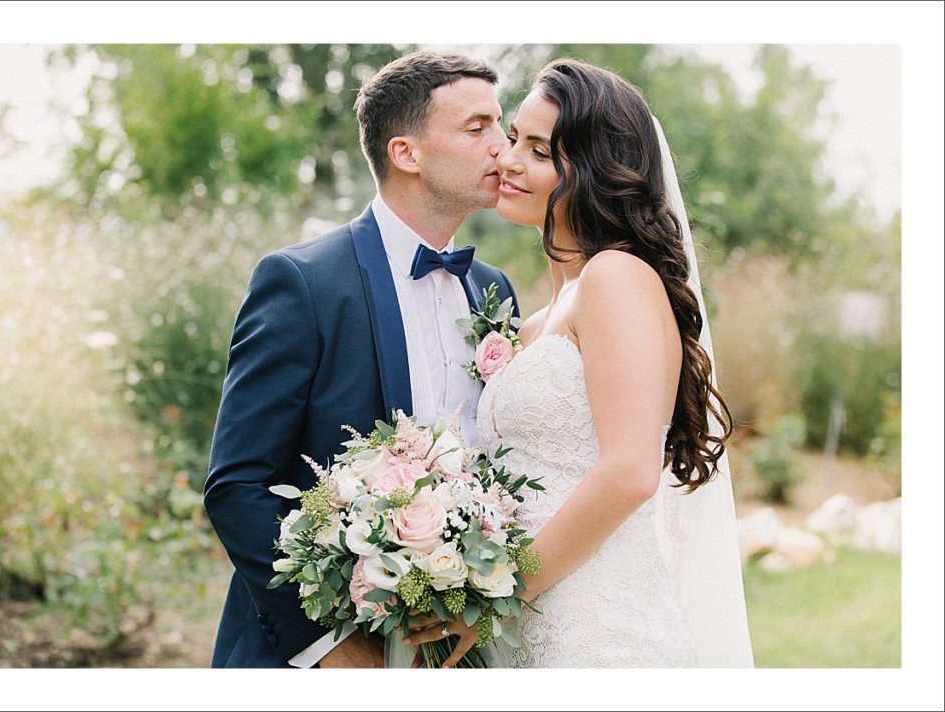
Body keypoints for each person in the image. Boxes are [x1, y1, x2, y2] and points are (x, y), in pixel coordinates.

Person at [402, 59, 753, 667]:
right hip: (528, 635)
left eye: (539, 151)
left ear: (593, 174)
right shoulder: (534, 322)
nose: (508, 160)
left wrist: (498, 599)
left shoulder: (617, 277)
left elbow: (629, 472)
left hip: (601, 635)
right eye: (515, 138)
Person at [202, 51, 520, 668]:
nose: (503, 149)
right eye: (478, 128)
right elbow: (237, 485)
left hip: (461, 640)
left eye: (500, 126)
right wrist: (332, 646)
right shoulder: (302, 282)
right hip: (327, 653)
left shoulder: (494, 290)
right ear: (406, 154)